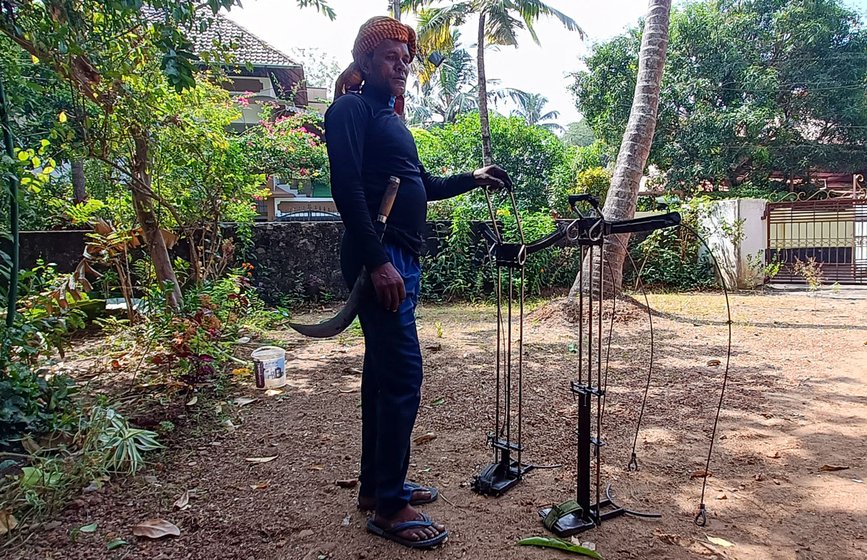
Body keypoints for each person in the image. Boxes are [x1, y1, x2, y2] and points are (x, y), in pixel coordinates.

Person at [326, 16, 513, 550]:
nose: (402, 65)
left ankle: (376, 486)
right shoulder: (350, 110)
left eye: (406, 59)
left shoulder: (390, 118)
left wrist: (470, 179)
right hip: (379, 258)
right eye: (391, 56)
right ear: (364, 62)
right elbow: (346, 189)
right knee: (404, 376)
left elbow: (420, 185)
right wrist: (377, 261)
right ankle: (390, 507)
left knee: (382, 377)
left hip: (400, 257)